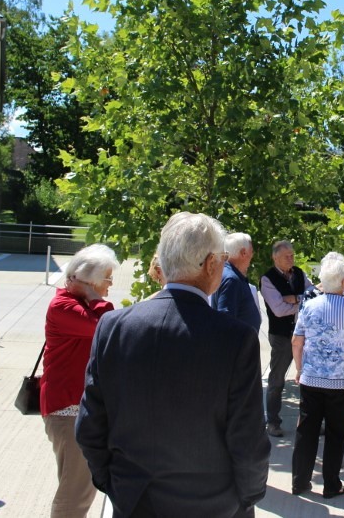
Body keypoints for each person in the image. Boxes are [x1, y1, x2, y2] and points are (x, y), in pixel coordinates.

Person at [76, 212, 269, 517]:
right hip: (214, 505)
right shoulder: (236, 338)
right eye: (222, 259)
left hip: (134, 501)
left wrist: (115, 485)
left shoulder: (113, 327)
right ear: (210, 264)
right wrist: (246, 499)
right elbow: (249, 440)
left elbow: (90, 426)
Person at [41, 244, 118, 518]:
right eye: (107, 279)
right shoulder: (63, 306)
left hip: (75, 406)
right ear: (90, 280)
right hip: (67, 408)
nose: (110, 285)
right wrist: (94, 295)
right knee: (76, 491)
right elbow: (106, 325)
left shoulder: (78, 304)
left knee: (80, 487)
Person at [291, 252, 344, 500]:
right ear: (343, 281)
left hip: (311, 379)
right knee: (336, 434)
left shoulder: (308, 306)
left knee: (306, 430)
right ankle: (331, 484)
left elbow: (296, 341)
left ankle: (299, 481)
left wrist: (299, 369)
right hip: (341, 382)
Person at [260, 240, 312, 437]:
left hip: (302, 334)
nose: (291, 259)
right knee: (277, 380)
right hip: (281, 336)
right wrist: (302, 302)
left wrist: (295, 299)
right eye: (286, 256)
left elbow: (313, 295)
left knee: (308, 379)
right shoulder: (267, 279)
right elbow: (279, 310)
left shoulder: (299, 273)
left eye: (292, 255)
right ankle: (273, 422)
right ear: (275, 258)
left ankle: (309, 421)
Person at [214, 233, 261, 331]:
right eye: (251, 251)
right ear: (243, 253)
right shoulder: (231, 280)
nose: (252, 255)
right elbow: (225, 322)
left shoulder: (228, 274)